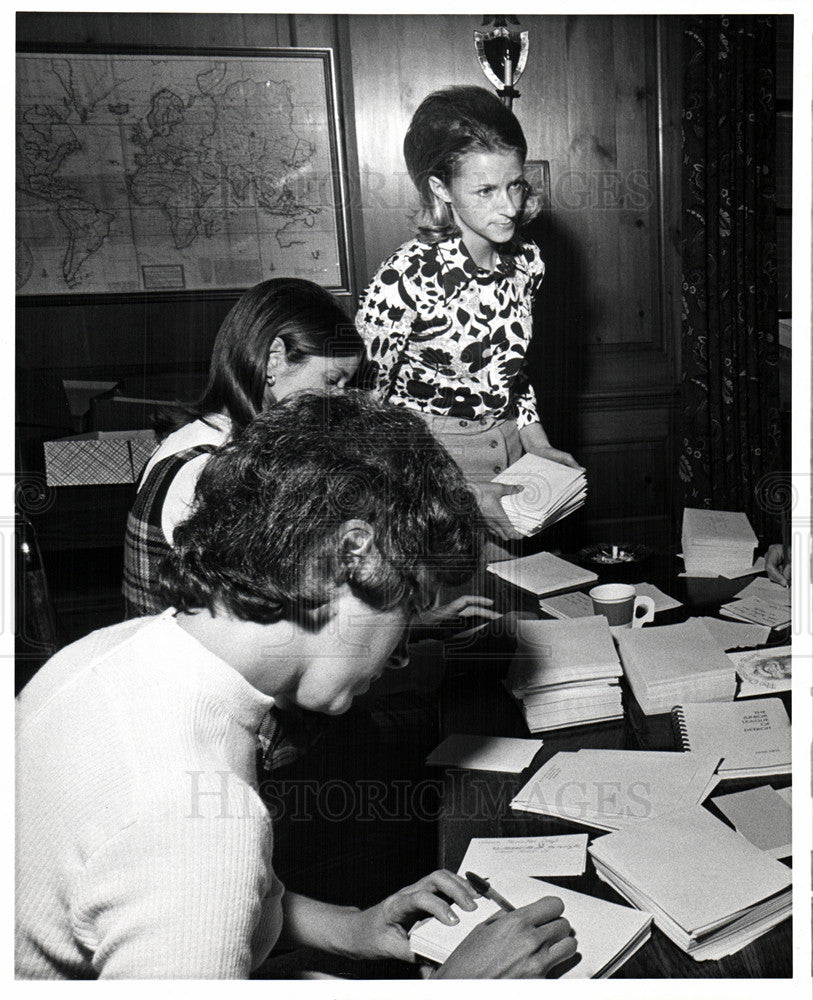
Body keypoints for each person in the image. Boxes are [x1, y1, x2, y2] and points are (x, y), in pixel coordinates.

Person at [16, 392, 576, 980]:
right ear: (355, 555)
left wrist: (353, 927)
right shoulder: (194, 822)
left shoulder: (116, 651)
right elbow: (197, 868)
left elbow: (189, 900)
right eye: (408, 611)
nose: (398, 654)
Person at [356, 85, 581, 544]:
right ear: (441, 188)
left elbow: (512, 374)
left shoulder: (527, 261)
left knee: (513, 601)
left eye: (515, 184)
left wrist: (537, 443)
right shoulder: (405, 276)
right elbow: (365, 413)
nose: (510, 207)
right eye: (486, 190)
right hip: (427, 467)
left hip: (512, 453)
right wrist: (453, 487)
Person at [122, 277, 364, 618]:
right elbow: (266, 608)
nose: (338, 400)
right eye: (331, 381)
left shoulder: (208, 439)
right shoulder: (205, 465)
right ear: (274, 359)